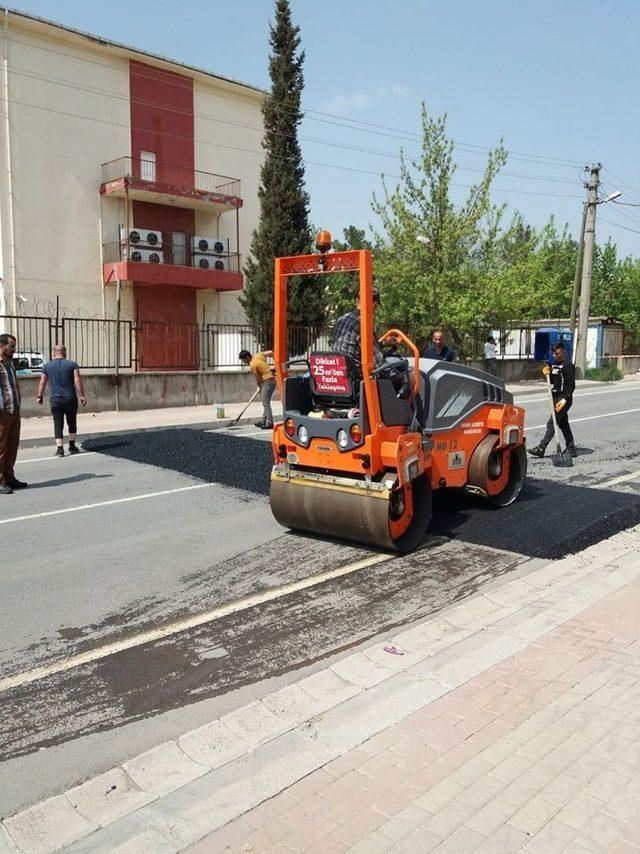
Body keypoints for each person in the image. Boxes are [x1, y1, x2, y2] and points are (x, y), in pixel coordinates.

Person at [528, 341, 577, 458]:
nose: (555, 356)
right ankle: (571, 449)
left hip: (564, 398)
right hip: (555, 397)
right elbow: (552, 381)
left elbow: (571, 386)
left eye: (557, 353)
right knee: (563, 424)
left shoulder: (568, 365)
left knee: (551, 423)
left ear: (563, 352)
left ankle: (541, 448)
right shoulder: (553, 364)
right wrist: (546, 373)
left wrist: (564, 400)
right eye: (554, 353)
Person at [37, 345, 87, 457]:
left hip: (55, 399)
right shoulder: (72, 365)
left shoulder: (47, 366)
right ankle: (72, 445)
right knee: (72, 421)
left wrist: (39, 396)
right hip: (70, 398)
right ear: (65, 352)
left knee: (58, 422)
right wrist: (82, 395)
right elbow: (78, 381)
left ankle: (60, 449)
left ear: (54, 353)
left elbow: (42, 382)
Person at [332, 288, 384, 374]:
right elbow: (378, 362)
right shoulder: (362, 325)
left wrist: (384, 344)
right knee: (403, 371)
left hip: (339, 373)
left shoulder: (342, 319)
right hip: (357, 377)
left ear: (357, 301)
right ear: (374, 305)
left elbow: (356, 346)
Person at [0, 333, 27, 493]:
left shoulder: (9, 363)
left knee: (12, 446)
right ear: (1, 346)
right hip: (2, 412)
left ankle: (9, 477)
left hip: (13, 410)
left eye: (14, 347)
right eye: (11, 347)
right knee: (0, 448)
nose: (14, 350)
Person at [239, 348, 277, 429]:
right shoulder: (258, 355)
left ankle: (270, 423)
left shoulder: (253, 365)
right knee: (265, 402)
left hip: (267, 382)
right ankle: (263, 421)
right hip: (272, 381)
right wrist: (275, 364)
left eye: (244, 360)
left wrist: (259, 386)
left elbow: (258, 379)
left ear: (247, 357)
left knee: (265, 403)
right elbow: (271, 352)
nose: (244, 362)